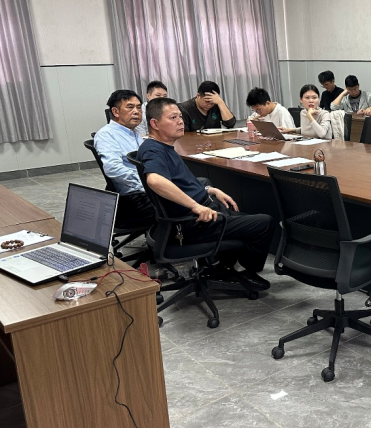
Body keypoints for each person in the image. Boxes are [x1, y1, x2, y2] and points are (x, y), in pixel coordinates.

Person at [137, 98, 273, 287]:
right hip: (193, 224)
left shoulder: (163, 146)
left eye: (180, 117)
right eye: (173, 118)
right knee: (264, 223)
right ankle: (243, 272)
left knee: (241, 214)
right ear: (154, 123)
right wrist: (196, 206)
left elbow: (181, 182)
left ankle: (223, 264)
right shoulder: (154, 150)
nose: (180, 121)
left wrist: (210, 190)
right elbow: (155, 180)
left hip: (199, 213)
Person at [94, 90, 154, 222]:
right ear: (115, 112)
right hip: (134, 197)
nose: (136, 111)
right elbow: (113, 168)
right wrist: (147, 184)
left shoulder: (134, 133)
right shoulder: (107, 135)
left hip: (146, 189)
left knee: (195, 189)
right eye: (130, 107)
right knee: (184, 204)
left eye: (139, 107)